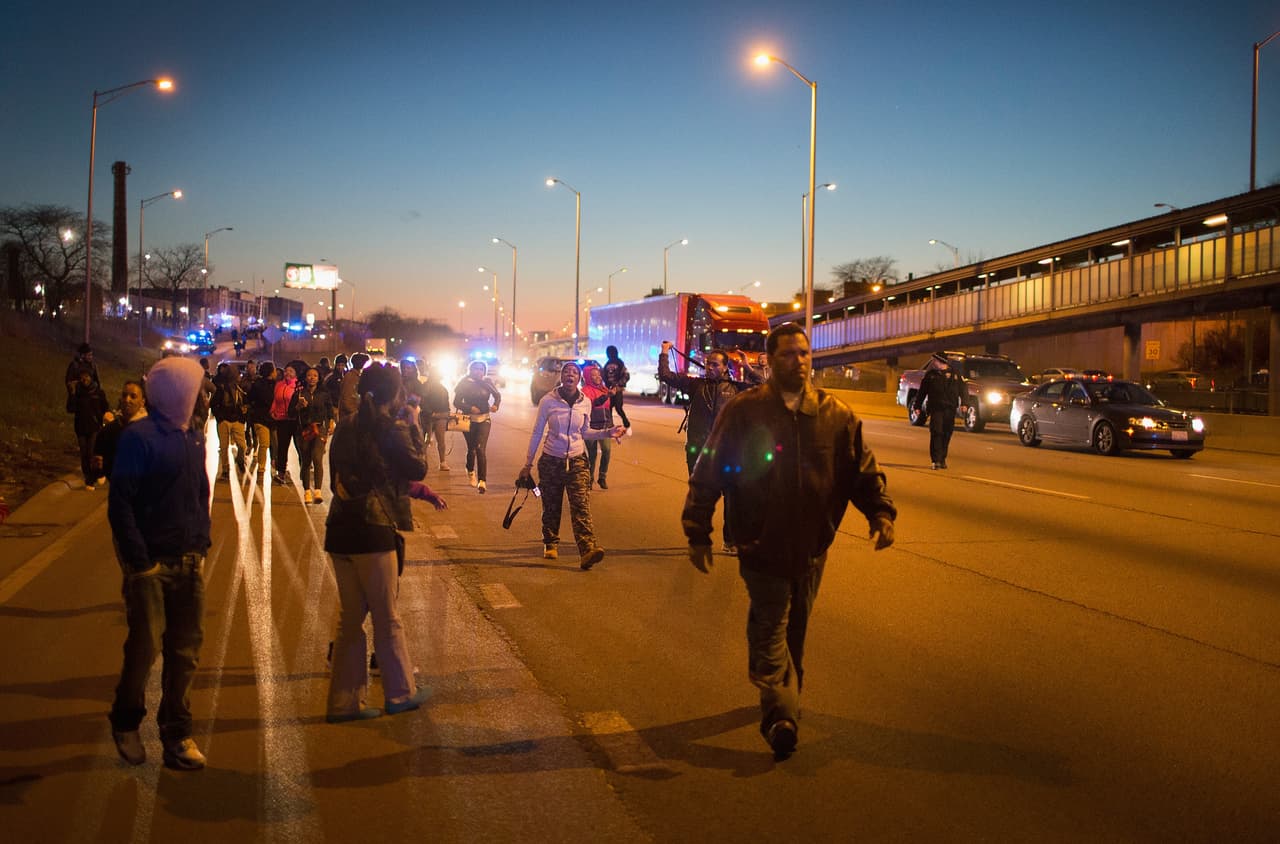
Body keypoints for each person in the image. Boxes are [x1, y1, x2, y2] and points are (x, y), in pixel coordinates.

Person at [681, 323, 896, 761]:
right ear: (769, 360)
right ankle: (780, 718)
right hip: (760, 542)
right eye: (787, 355)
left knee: (793, 629)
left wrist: (880, 513)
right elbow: (710, 472)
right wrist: (698, 531)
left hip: (813, 546)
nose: (798, 361)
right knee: (772, 625)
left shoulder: (835, 415)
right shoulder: (744, 412)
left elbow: (860, 470)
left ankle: (781, 696)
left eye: (803, 353)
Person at [106, 356, 212, 770]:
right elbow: (121, 503)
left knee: (185, 652)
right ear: (175, 391)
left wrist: (201, 544)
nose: (202, 394)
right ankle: (126, 720)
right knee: (146, 647)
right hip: (150, 565)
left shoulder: (193, 436)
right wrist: (139, 562)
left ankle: (177, 733)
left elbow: (198, 494)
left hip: (189, 560)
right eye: (196, 387)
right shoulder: (140, 437)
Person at [323, 363, 444, 722]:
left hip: (339, 529)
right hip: (374, 530)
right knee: (387, 616)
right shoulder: (391, 427)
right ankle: (400, 692)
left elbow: (340, 477)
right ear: (394, 393)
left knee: (349, 621)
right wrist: (414, 422)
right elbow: (417, 467)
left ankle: (343, 703)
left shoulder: (345, 426)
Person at [658, 340, 763, 551]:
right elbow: (666, 376)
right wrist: (664, 353)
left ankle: (730, 540)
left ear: (725, 367)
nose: (710, 367)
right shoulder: (695, 385)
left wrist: (746, 366)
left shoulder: (736, 389)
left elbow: (764, 386)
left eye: (715, 364)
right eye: (708, 364)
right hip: (698, 449)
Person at [518, 361, 625, 569]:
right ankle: (550, 542)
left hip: (577, 460)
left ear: (579, 378)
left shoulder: (585, 402)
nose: (570, 375)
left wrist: (607, 432)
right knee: (551, 505)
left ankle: (587, 550)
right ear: (561, 376)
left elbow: (584, 432)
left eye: (574, 372)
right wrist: (528, 464)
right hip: (551, 460)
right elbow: (537, 432)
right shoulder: (548, 401)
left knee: (581, 506)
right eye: (566, 371)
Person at [453, 360, 502, 494]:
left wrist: (495, 405)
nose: (478, 371)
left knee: (480, 449)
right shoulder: (464, 383)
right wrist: (469, 408)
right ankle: (470, 471)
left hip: (484, 419)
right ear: (470, 370)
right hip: (468, 420)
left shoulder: (487, 382)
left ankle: (482, 481)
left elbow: (497, 395)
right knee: (472, 449)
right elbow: (456, 402)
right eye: (475, 369)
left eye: (481, 369)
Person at [911, 353, 966, 470]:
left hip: (950, 408)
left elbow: (963, 389)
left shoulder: (954, 374)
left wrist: (965, 403)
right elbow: (922, 392)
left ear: (941, 361)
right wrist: (917, 406)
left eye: (935, 360)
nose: (933, 363)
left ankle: (942, 458)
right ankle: (935, 460)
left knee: (946, 434)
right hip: (936, 408)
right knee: (936, 432)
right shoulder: (930, 375)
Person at [291, 365, 335, 504]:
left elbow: (329, 411)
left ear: (319, 378)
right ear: (305, 377)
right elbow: (290, 412)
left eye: (315, 375)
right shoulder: (298, 393)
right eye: (309, 375)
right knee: (305, 461)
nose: (312, 378)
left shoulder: (324, 393)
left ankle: (317, 491)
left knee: (317, 457)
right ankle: (306, 492)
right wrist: (298, 406)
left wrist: (331, 422)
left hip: (319, 429)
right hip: (303, 430)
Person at [93, 380, 148, 482]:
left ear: (142, 402)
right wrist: (100, 466)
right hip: (118, 492)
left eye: (133, 396)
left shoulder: (150, 431)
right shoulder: (108, 431)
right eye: (124, 395)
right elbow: (98, 467)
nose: (127, 400)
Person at [67, 368, 110, 489]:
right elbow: (70, 409)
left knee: (91, 452)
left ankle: (92, 478)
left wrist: (106, 415)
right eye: (82, 377)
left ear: (91, 377)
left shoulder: (98, 391)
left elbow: (105, 406)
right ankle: (88, 475)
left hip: (94, 427)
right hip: (80, 427)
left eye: (87, 376)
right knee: (83, 453)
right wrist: (72, 394)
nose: (84, 379)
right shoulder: (78, 392)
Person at [210, 362, 249, 482]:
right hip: (224, 420)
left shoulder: (239, 388)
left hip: (237, 419)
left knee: (242, 445)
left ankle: (240, 460)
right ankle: (225, 469)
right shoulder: (221, 389)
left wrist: (243, 416)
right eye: (237, 373)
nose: (239, 375)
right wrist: (220, 417)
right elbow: (213, 404)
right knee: (224, 446)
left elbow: (245, 402)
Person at [580, 363, 615, 489]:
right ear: (588, 377)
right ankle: (589, 479)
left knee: (607, 450)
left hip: (605, 426)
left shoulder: (604, 389)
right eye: (594, 375)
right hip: (591, 427)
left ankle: (602, 477)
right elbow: (593, 404)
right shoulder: (585, 392)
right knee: (592, 455)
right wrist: (607, 396)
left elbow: (608, 409)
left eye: (598, 374)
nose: (598, 377)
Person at [246, 361, 277, 483]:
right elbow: (250, 398)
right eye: (274, 370)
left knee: (275, 445)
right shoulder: (258, 385)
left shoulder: (276, 385)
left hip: (273, 419)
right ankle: (261, 469)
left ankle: (275, 466)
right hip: (261, 418)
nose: (276, 373)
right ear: (270, 372)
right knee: (264, 444)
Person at [270, 364, 300, 484]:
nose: (288, 373)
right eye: (286, 371)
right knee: (282, 447)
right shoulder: (279, 384)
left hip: (295, 420)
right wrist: (272, 410)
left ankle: (305, 468)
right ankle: (281, 472)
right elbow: (275, 400)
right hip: (282, 420)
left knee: (300, 446)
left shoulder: (298, 386)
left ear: (296, 374)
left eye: (291, 371)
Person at [421, 364, 452, 471]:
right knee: (427, 439)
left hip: (439, 415)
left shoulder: (441, 388)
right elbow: (423, 401)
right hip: (430, 416)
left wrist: (446, 413)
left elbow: (445, 403)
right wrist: (431, 413)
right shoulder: (427, 386)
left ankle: (441, 462)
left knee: (437, 440)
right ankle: (423, 461)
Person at [602, 345, 631, 429]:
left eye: (609, 352)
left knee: (618, 408)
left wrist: (619, 384)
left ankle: (626, 423)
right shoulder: (607, 363)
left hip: (617, 390)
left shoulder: (620, 363)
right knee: (609, 407)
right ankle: (610, 425)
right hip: (609, 390)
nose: (608, 354)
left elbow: (626, 375)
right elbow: (604, 376)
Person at [337, 352, 370, 423]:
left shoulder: (356, 376)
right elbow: (347, 399)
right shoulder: (351, 377)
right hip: (349, 418)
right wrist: (357, 413)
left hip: (352, 417)